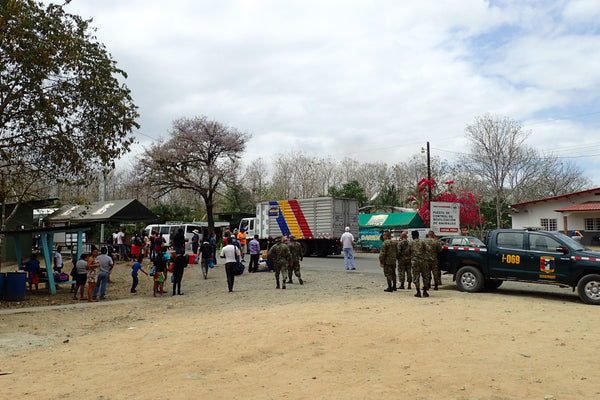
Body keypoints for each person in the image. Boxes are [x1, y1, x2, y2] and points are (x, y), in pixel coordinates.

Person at [410, 230, 430, 298]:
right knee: (425, 276)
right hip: (423, 261)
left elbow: (408, 251)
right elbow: (428, 248)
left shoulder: (411, 243)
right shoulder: (422, 242)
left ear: (412, 236)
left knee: (416, 277)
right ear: (418, 235)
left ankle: (418, 292)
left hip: (415, 262)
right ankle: (425, 291)